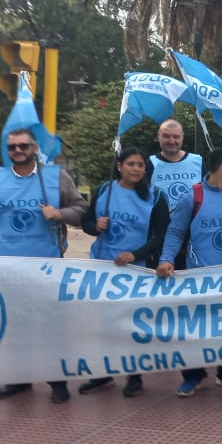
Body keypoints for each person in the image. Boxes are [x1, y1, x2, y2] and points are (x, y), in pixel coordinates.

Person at [0, 128, 87, 404]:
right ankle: (19, 378)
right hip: (8, 267)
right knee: (15, 325)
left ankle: (57, 381)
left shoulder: (54, 177)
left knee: (51, 326)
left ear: (34, 148)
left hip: (46, 266)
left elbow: (82, 208)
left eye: (23, 145)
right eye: (12, 147)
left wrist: (60, 214)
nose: (18, 151)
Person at [157, 148, 222, 397]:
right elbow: (175, 231)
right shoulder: (193, 196)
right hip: (200, 275)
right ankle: (193, 375)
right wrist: (166, 259)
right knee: (197, 328)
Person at [79, 148, 170, 397]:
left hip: (135, 269)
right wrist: (95, 226)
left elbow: (162, 236)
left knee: (130, 324)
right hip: (102, 267)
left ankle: (134, 375)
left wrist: (135, 253)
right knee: (102, 323)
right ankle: (103, 374)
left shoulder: (156, 196)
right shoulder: (104, 191)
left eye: (141, 165)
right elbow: (85, 223)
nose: (137, 169)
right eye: (132, 164)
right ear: (119, 166)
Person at [150, 119, 203, 209]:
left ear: (182, 137)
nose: (171, 141)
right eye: (166, 136)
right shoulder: (150, 163)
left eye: (176, 137)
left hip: (193, 221)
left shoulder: (198, 161)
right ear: (159, 136)